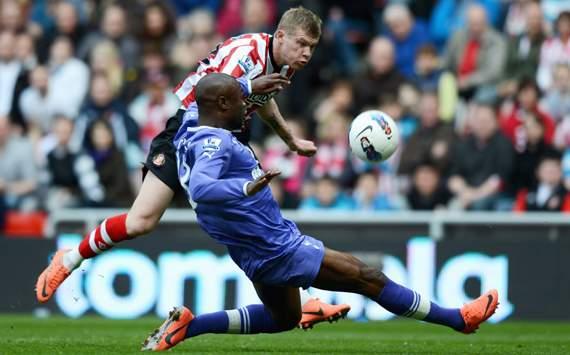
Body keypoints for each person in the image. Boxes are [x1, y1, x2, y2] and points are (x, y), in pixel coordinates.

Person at [36, 7, 349, 330]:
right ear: (280, 36)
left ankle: (307, 298)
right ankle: (70, 258)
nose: (307, 53)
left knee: (263, 219)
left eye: (312, 46)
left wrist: (290, 139)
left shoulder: (283, 61)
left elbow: (262, 97)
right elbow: (212, 95)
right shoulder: (246, 52)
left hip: (229, 142)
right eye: (302, 44)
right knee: (140, 221)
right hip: (190, 131)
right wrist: (252, 88)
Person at [141, 73, 498, 351]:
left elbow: (210, 99)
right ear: (220, 104)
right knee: (368, 277)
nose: (245, 107)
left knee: (283, 318)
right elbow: (203, 187)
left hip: (251, 249)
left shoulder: (189, 124)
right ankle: (457, 319)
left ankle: (190, 325)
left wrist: (249, 84)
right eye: (239, 102)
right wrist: (244, 187)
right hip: (275, 245)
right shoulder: (214, 141)